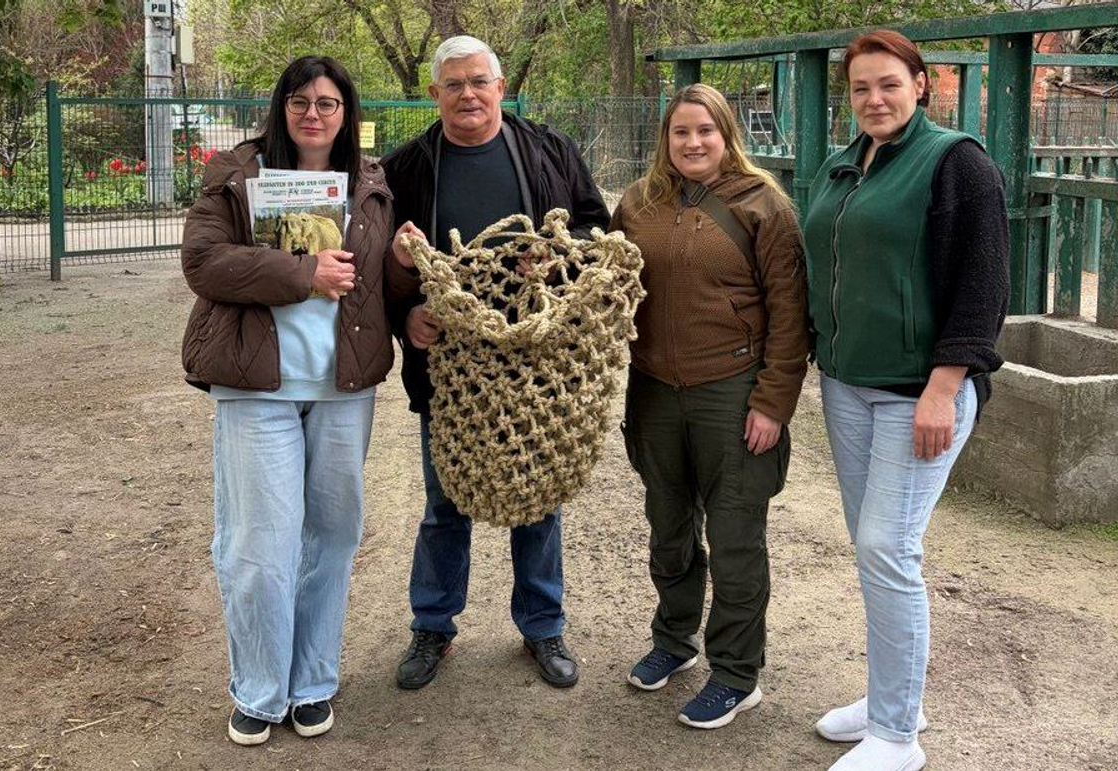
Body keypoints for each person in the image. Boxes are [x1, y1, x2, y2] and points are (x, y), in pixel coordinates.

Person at [802, 31, 1009, 771]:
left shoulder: (957, 162)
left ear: (923, 84)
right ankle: (894, 696)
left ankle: (897, 736)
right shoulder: (839, 165)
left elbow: (984, 286)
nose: (874, 99)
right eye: (860, 88)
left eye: (889, 84)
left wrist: (945, 387)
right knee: (872, 548)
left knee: (889, 547)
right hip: (846, 386)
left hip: (919, 395)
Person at [179, 55, 398, 746]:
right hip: (257, 383)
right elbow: (203, 263)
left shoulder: (370, 184)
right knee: (259, 543)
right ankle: (259, 688)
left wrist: (404, 257)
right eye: (301, 101)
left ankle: (311, 682)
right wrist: (302, 272)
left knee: (330, 537)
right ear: (281, 107)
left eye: (328, 103)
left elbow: (376, 280)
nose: (314, 113)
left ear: (346, 113)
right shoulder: (238, 176)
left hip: (342, 386)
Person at [382, 34, 610, 690]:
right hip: (448, 367)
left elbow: (596, 227)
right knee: (444, 500)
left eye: (479, 82)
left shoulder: (549, 151)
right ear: (434, 95)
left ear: (501, 87)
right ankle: (433, 624)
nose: (468, 95)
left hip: (535, 359)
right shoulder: (406, 168)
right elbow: (381, 267)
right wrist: (406, 317)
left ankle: (542, 624)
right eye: (453, 84)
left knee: (537, 498)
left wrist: (559, 254)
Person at [609, 83, 809, 729]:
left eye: (706, 132)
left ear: (727, 136)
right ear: (665, 140)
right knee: (668, 529)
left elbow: (790, 315)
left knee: (735, 539)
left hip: (733, 391)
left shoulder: (764, 207)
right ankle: (673, 640)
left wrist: (773, 404)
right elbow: (605, 281)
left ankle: (736, 671)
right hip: (655, 390)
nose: (693, 143)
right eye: (681, 132)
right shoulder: (639, 204)